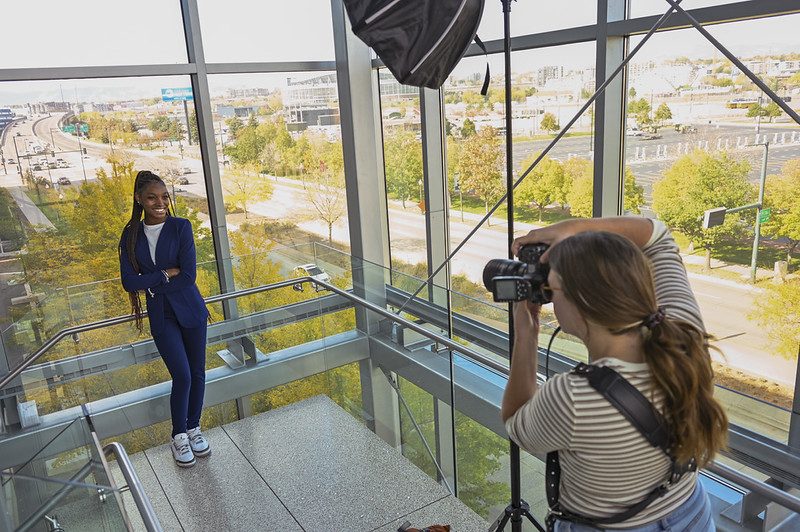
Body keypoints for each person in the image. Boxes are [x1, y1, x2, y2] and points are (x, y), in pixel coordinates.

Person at [503, 217, 728, 531]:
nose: (550, 299)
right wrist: (575, 229)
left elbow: (516, 422)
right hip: (691, 514)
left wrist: (526, 335)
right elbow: (658, 236)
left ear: (581, 303)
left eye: (553, 290)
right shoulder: (685, 332)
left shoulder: (574, 397)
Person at [119, 170, 210, 468]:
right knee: (181, 375)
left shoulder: (181, 227)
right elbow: (129, 282)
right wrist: (161, 274)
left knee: (197, 372)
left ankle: (194, 427)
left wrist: (150, 281)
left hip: (191, 310)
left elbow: (188, 276)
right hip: (161, 315)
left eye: (164, 197)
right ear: (139, 199)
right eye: (152, 197)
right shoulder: (130, 234)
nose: (160, 203)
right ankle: (178, 435)